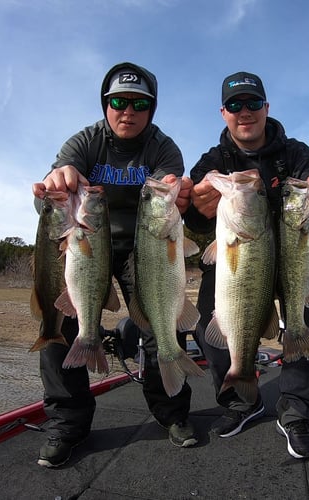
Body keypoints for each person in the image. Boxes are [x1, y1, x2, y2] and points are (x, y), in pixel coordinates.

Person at [31, 62, 195, 468]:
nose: (128, 111)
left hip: (145, 249)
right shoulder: (84, 142)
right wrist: (55, 183)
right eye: (118, 102)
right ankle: (69, 423)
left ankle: (173, 414)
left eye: (139, 104)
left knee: (162, 322)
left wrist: (180, 195)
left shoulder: (163, 148)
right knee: (59, 319)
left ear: (151, 110)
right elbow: (47, 204)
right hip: (88, 248)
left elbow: (167, 202)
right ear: (106, 105)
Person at [184, 71, 309, 459]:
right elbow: (194, 216)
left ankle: (298, 412)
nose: (245, 112)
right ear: (223, 113)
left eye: (253, 103)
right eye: (235, 105)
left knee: (307, 317)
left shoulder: (297, 153)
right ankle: (242, 400)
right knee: (211, 320)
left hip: (290, 257)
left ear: (267, 108)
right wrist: (196, 211)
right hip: (238, 259)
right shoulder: (212, 160)